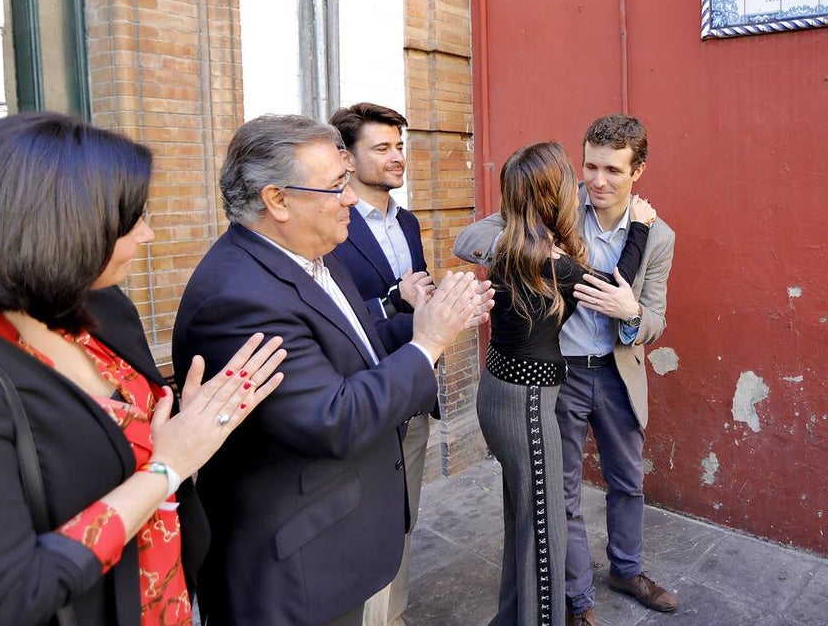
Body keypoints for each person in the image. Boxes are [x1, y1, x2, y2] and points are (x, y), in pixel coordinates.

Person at [0, 112, 286, 626]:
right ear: (57, 228)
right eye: (131, 220)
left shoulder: (98, 305)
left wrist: (180, 424)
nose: (148, 235)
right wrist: (168, 466)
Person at [172, 114, 493, 626]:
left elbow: (357, 348)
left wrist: (428, 325)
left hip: (339, 540)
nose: (350, 199)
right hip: (295, 572)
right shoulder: (238, 297)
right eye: (336, 186)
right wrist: (429, 342)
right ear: (277, 200)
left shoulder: (316, 251)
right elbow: (332, 418)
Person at [455, 115, 677, 626]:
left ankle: (627, 569)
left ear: (637, 171)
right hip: (561, 377)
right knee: (563, 487)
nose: (597, 181)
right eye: (590, 166)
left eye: (613, 171)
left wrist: (632, 313)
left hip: (619, 373)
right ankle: (576, 599)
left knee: (627, 482)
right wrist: (526, 253)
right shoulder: (555, 206)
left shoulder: (658, 236)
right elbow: (470, 238)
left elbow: (657, 320)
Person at [328, 102, 432, 626]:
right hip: (363, 398)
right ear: (346, 158)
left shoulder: (408, 222)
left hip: (412, 395)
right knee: (368, 527)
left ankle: (395, 615)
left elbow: (420, 301)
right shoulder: (333, 227)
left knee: (405, 519)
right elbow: (331, 315)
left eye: (399, 147)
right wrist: (395, 298)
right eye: (382, 148)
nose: (397, 158)